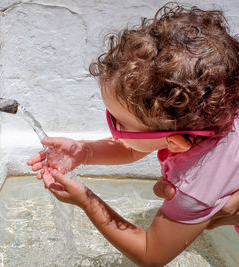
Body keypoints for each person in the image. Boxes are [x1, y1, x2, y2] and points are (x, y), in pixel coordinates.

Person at [27, 3, 239, 266]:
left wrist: (87, 201)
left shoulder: (196, 185)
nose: (112, 129)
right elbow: (132, 146)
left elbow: (151, 254)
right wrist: (85, 151)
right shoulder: (220, 99)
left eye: (119, 124)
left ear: (176, 142)